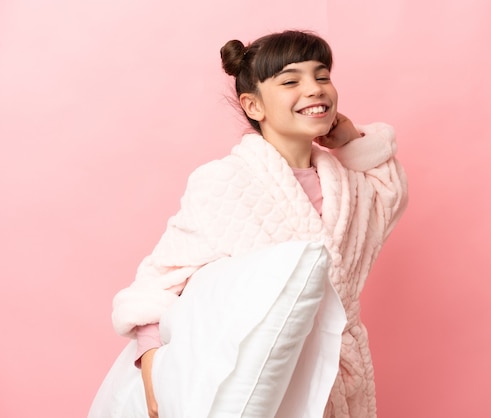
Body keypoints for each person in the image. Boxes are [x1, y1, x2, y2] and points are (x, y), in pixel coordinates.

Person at [110, 30, 408, 418]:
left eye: (322, 76)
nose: (314, 89)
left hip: (340, 378)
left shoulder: (347, 184)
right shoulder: (224, 182)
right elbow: (156, 285)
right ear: (253, 105)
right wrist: (154, 379)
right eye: (290, 81)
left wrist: (351, 139)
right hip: (260, 380)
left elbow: (390, 196)